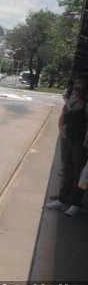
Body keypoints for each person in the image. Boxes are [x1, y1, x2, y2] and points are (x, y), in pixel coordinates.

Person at [46, 79, 88, 217]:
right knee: (68, 170)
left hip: (81, 143)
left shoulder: (85, 105)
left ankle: (75, 203)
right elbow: (65, 117)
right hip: (69, 138)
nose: (76, 92)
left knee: (78, 173)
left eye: (80, 89)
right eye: (75, 89)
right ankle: (63, 200)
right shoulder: (73, 102)